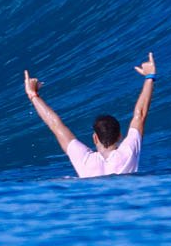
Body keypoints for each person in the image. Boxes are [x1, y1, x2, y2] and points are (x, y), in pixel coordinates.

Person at [23, 53, 157, 178]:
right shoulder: (127, 153)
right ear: (119, 136)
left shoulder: (84, 160)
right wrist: (149, 77)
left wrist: (33, 95)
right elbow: (140, 114)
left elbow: (56, 125)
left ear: (95, 138)